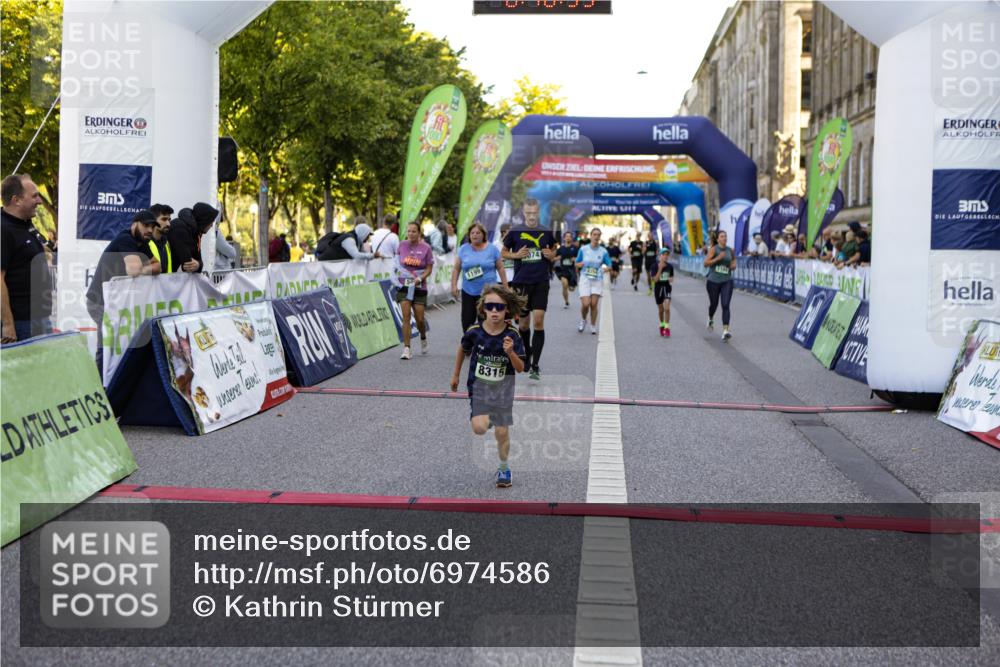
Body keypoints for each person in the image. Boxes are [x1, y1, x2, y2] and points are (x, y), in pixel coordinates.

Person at [450, 284, 527, 488]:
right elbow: (462, 349)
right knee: (479, 428)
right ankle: (488, 418)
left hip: (503, 390)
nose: (494, 311)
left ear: (507, 310)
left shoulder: (513, 335)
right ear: (483, 308)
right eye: (490, 306)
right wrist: (455, 375)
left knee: (501, 433)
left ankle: (504, 468)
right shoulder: (474, 331)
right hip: (480, 388)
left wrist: (510, 353)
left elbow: (520, 368)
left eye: (499, 307)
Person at [86, 210, 160, 362]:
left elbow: (158, 266)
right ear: (134, 224)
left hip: (116, 302)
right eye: (146, 225)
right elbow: (133, 270)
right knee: (107, 346)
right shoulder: (125, 239)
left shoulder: (142, 243)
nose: (150, 230)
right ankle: (100, 383)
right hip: (99, 302)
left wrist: (142, 268)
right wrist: (143, 267)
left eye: (152, 227)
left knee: (120, 344)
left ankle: (113, 382)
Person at [502, 198, 558, 380]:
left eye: (534, 213)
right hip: (521, 283)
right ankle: (527, 354)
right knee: (524, 325)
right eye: (528, 213)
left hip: (541, 282)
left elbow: (554, 249)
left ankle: (535, 365)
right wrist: (515, 255)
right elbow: (503, 252)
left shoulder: (546, 231)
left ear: (538, 212)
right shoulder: (515, 231)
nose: (532, 216)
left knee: (539, 321)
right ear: (524, 213)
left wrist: (551, 255)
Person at [1, 174, 55, 342]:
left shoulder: (25, 224)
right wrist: (8, 324)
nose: (40, 201)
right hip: (21, 323)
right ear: (16, 200)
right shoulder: (3, 229)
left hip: (38, 318)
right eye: (34, 196)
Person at [452, 222, 507, 332]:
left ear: (483, 235)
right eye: (472, 233)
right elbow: (456, 269)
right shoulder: (463, 249)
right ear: (469, 235)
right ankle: (469, 346)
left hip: (488, 292)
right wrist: (454, 285)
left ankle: (485, 346)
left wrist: (506, 287)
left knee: (486, 322)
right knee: (467, 322)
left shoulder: (492, 249)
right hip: (469, 291)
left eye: (478, 233)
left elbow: (500, 268)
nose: (475, 235)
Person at [395, 221, 433, 359]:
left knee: (420, 319)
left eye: (414, 231)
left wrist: (420, 278)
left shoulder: (426, 248)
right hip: (404, 285)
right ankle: (407, 349)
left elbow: (429, 268)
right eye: (409, 231)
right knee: (406, 317)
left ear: (419, 233)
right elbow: (396, 264)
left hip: (419, 285)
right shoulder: (401, 245)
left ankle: (423, 337)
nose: (410, 234)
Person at [575, 227, 612, 335]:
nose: (596, 236)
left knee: (594, 304)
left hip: (597, 279)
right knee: (586, 304)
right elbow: (577, 263)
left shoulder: (603, 251)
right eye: (594, 234)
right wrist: (579, 265)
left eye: (598, 235)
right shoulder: (583, 249)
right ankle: (583, 319)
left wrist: (606, 269)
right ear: (591, 236)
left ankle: (593, 325)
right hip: (585, 278)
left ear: (600, 237)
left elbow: (609, 264)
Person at [704, 229, 736, 341]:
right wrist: (718, 258)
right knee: (714, 304)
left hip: (726, 281)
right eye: (722, 236)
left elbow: (734, 261)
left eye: (725, 236)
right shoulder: (714, 249)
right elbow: (706, 263)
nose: (724, 238)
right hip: (713, 281)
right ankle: (710, 317)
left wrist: (733, 265)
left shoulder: (730, 250)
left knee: (725, 304)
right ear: (718, 239)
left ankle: (726, 330)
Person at [168, 202, 218, 272]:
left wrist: (198, 265)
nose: (212, 225)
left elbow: (197, 261)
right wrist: (197, 264)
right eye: (211, 221)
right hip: (161, 278)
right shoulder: (180, 228)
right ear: (205, 220)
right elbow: (188, 264)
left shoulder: (195, 232)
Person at [146, 203, 176, 273]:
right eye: (164, 219)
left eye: (169, 220)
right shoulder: (143, 243)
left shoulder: (166, 243)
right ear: (153, 221)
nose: (168, 224)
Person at [652, 248, 674, 337]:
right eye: (664, 254)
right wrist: (660, 269)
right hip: (658, 289)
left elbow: (672, 278)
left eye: (667, 255)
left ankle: (667, 328)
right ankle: (662, 325)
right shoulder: (654, 266)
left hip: (667, 288)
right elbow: (655, 280)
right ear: (660, 256)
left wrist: (670, 279)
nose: (665, 256)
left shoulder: (670, 266)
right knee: (661, 310)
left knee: (667, 308)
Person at [554, 231, 578, 309]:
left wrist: (575, 259)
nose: (568, 238)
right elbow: (556, 257)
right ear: (564, 238)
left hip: (572, 271)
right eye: (566, 236)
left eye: (569, 236)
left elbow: (579, 259)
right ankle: (566, 301)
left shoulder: (575, 248)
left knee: (571, 289)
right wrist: (554, 258)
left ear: (571, 238)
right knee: (564, 284)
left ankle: (571, 285)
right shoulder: (561, 248)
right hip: (563, 270)